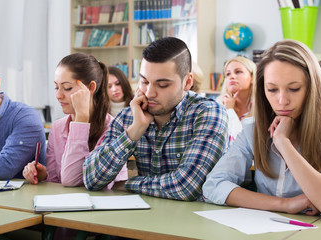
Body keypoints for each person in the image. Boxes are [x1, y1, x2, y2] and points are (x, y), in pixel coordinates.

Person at [203, 39, 321, 220]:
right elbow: (213, 186)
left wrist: (283, 143)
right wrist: (285, 205)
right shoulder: (252, 130)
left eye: (294, 88)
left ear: (312, 89)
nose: (282, 101)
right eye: (272, 89)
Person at [83, 37, 228, 201]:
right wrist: (134, 131)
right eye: (144, 81)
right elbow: (91, 179)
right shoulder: (130, 116)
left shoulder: (208, 113)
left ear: (187, 82)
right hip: (146, 218)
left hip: (197, 221)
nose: (149, 92)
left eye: (163, 85)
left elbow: (187, 187)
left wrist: (128, 184)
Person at [22, 53, 127, 188]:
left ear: (90, 88)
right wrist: (43, 176)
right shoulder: (57, 127)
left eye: (67, 88)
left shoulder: (113, 128)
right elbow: (55, 182)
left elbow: (71, 180)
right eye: (56, 87)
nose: (58, 95)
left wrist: (81, 119)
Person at [218, 56, 256, 144]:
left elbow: (243, 143)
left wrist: (230, 110)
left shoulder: (261, 108)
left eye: (238, 72)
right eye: (228, 74)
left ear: (252, 77)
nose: (232, 76)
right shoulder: (218, 105)